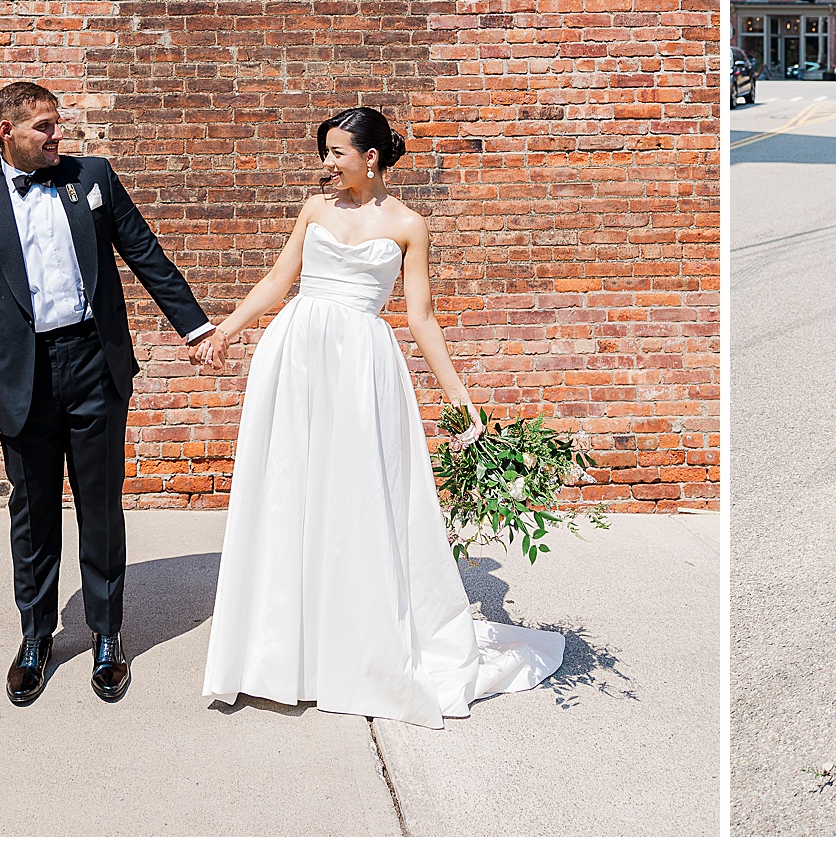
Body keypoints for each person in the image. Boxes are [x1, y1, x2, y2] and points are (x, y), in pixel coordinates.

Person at [199, 106, 563, 725]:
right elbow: (280, 279)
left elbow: (421, 317)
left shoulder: (408, 225)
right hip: (297, 354)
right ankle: (282, 651)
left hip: (361, 366)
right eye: (325, 152)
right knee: (290, 490)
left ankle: (354, 649)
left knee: (356, 499)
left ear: (370, 158)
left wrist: (459, 399)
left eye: (336, 152)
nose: (326, 164)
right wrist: (227, 330)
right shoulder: (315, 210)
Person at [0, 81, 217, 707]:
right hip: (20, 379)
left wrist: (195, 328)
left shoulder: (91, 178)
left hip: (93, 362)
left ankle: (107, 634)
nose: (58, 136)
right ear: (6, 132)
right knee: (33, 515)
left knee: (101, 506)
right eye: (44, 127)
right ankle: (35, 638)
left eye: (57, 124)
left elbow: (144, 251)